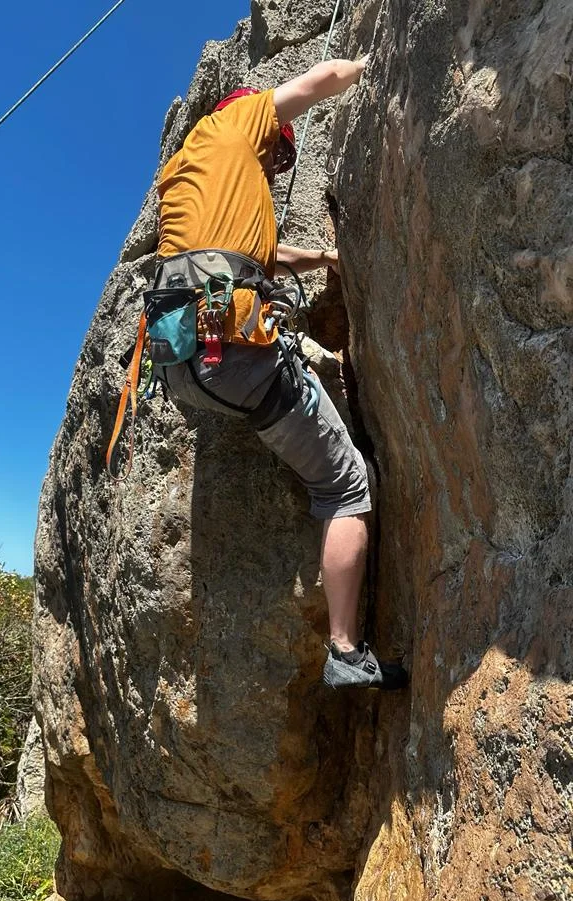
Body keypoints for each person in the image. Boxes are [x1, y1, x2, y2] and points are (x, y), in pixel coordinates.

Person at [154, 57, 407, 691]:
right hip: (234, 349)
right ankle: (346, 651)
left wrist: (321, 256)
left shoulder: (192, 170)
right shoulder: (237, 120)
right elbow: (313, 85)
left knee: (289, 405)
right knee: (347, 485)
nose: (272, 168)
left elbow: (259, 257)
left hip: (182, 359)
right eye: (276, 156)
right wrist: (370, 64)